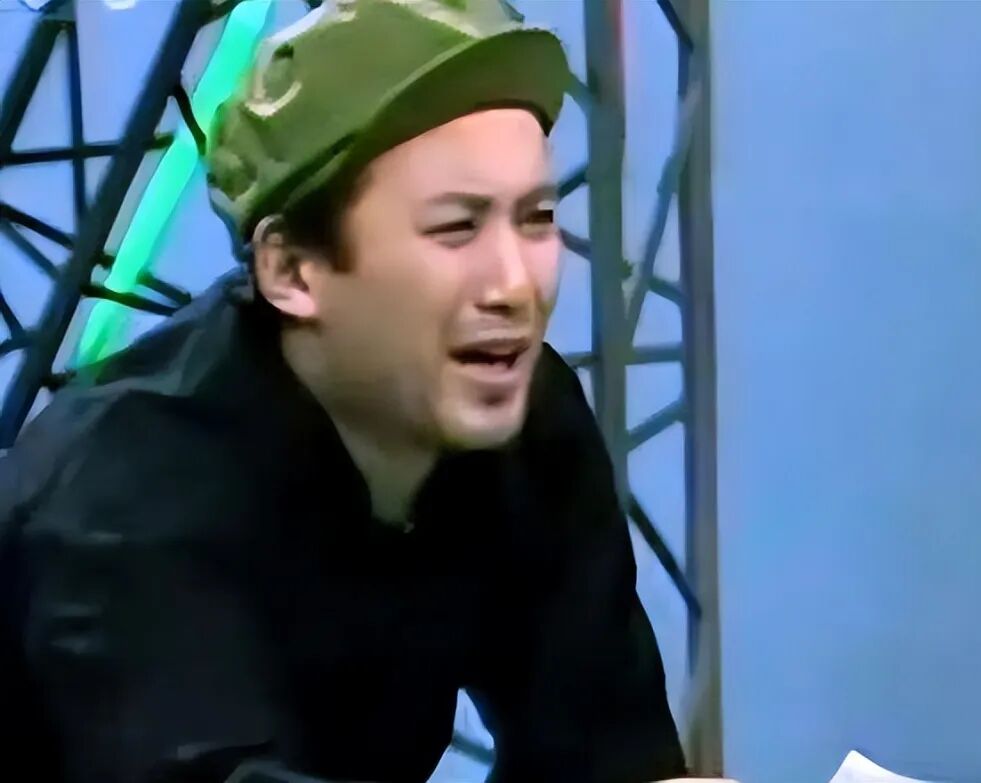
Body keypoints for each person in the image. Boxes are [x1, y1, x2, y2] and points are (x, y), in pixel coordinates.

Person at [0, 1, 723, 781]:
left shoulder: (530, 425)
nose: (517, 284)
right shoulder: (125, 494)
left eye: (537, 218)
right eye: (457, 227)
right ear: (291, 271)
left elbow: (611, 757)